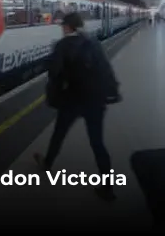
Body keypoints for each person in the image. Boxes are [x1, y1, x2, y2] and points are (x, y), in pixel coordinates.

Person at [34, 12, 122, 201]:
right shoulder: (93, 42)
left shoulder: (62, 45)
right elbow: (106, 69)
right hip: (95, 101)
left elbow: (54, 73)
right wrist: (112, 91)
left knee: (59, 133)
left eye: (63, 26)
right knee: (97, 143)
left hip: (72, 100)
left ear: (67, 27)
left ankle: (47, 163)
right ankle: (107, 188)